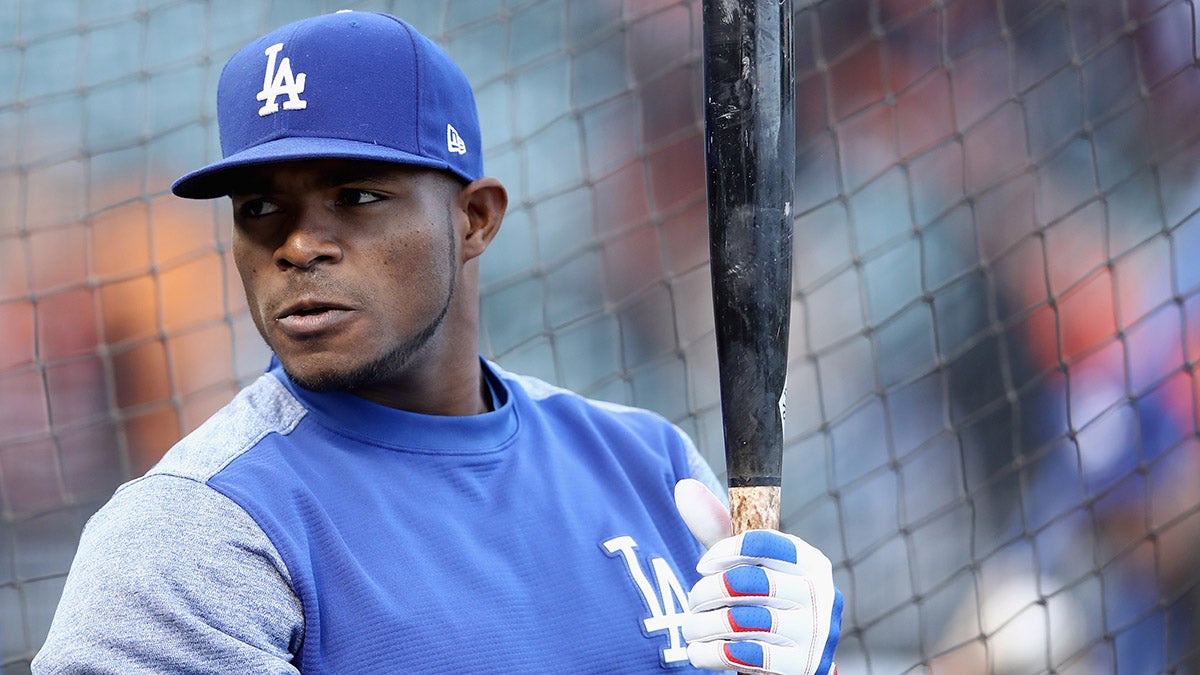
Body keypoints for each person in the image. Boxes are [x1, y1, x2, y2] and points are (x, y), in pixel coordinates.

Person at [32, 11, 842, 674]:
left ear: (474, 218)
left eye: (354, 195)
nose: (297, 245)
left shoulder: (649, 464)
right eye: (258, 208)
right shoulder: (193, 535)